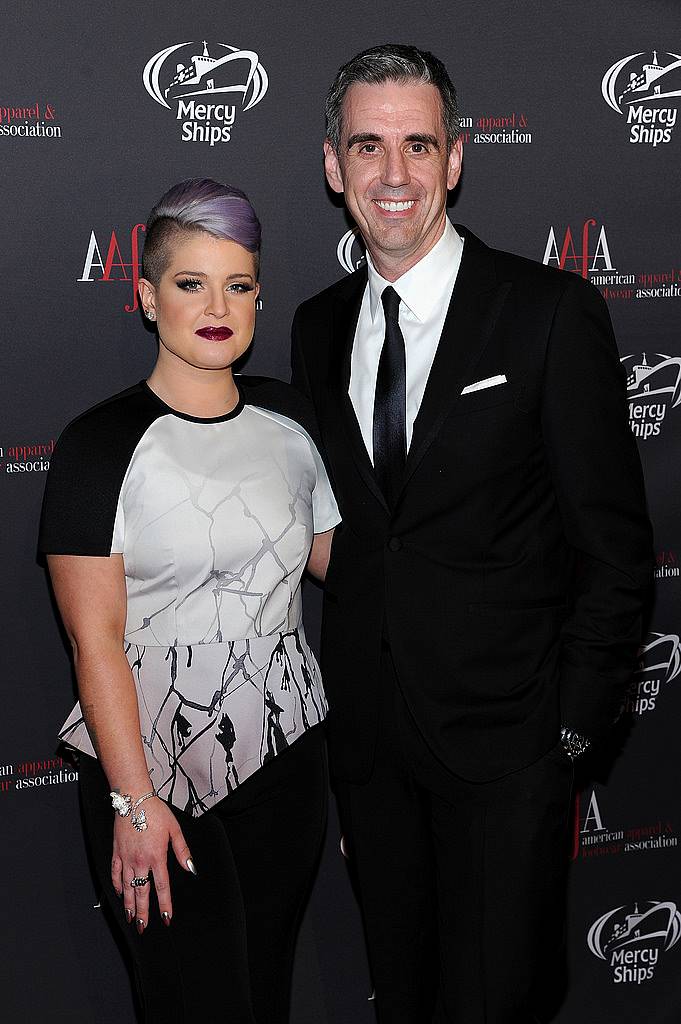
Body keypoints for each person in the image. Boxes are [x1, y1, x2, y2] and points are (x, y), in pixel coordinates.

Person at [291, 44, 653, 1023]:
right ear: (333, 165)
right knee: (404, 999)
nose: (394, 175)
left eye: (418, 144)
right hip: (373, 754)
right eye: (368, 146)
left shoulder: (546, 313)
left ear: (455, 158)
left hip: (509, 750)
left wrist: (571, 730)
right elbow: (364, 528)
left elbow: (617, 547)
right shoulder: (315, 328)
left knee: (500, 1004)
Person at [39, 178, 340, 1024]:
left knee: (264, 995)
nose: (218, 306)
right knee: (189, 1005)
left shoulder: (291, 421)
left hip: (288, 757)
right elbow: (93, 640)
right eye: (190, 283)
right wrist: (133, 802)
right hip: (152, 771)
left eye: (238, 285)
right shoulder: (98, 446)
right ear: (145, 296)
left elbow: (339, 566)